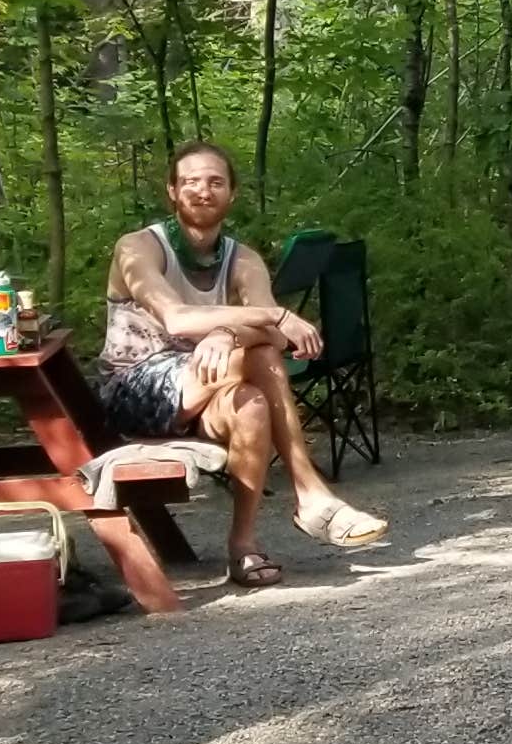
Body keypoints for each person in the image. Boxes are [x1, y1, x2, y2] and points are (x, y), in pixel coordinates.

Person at [101, 141, 385, 587]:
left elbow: (270, 337)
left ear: (231, 194)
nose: (203, 190)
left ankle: (243, 546)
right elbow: (178, 317)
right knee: (260, 351)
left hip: (213, 384)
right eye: (191, 181)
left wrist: (227, 332)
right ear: (172, 191)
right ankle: (309, 492)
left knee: (253, 403)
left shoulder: (243, 259)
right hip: (138, 387)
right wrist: (270, 318)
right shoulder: (139, 248)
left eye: (215, 182)